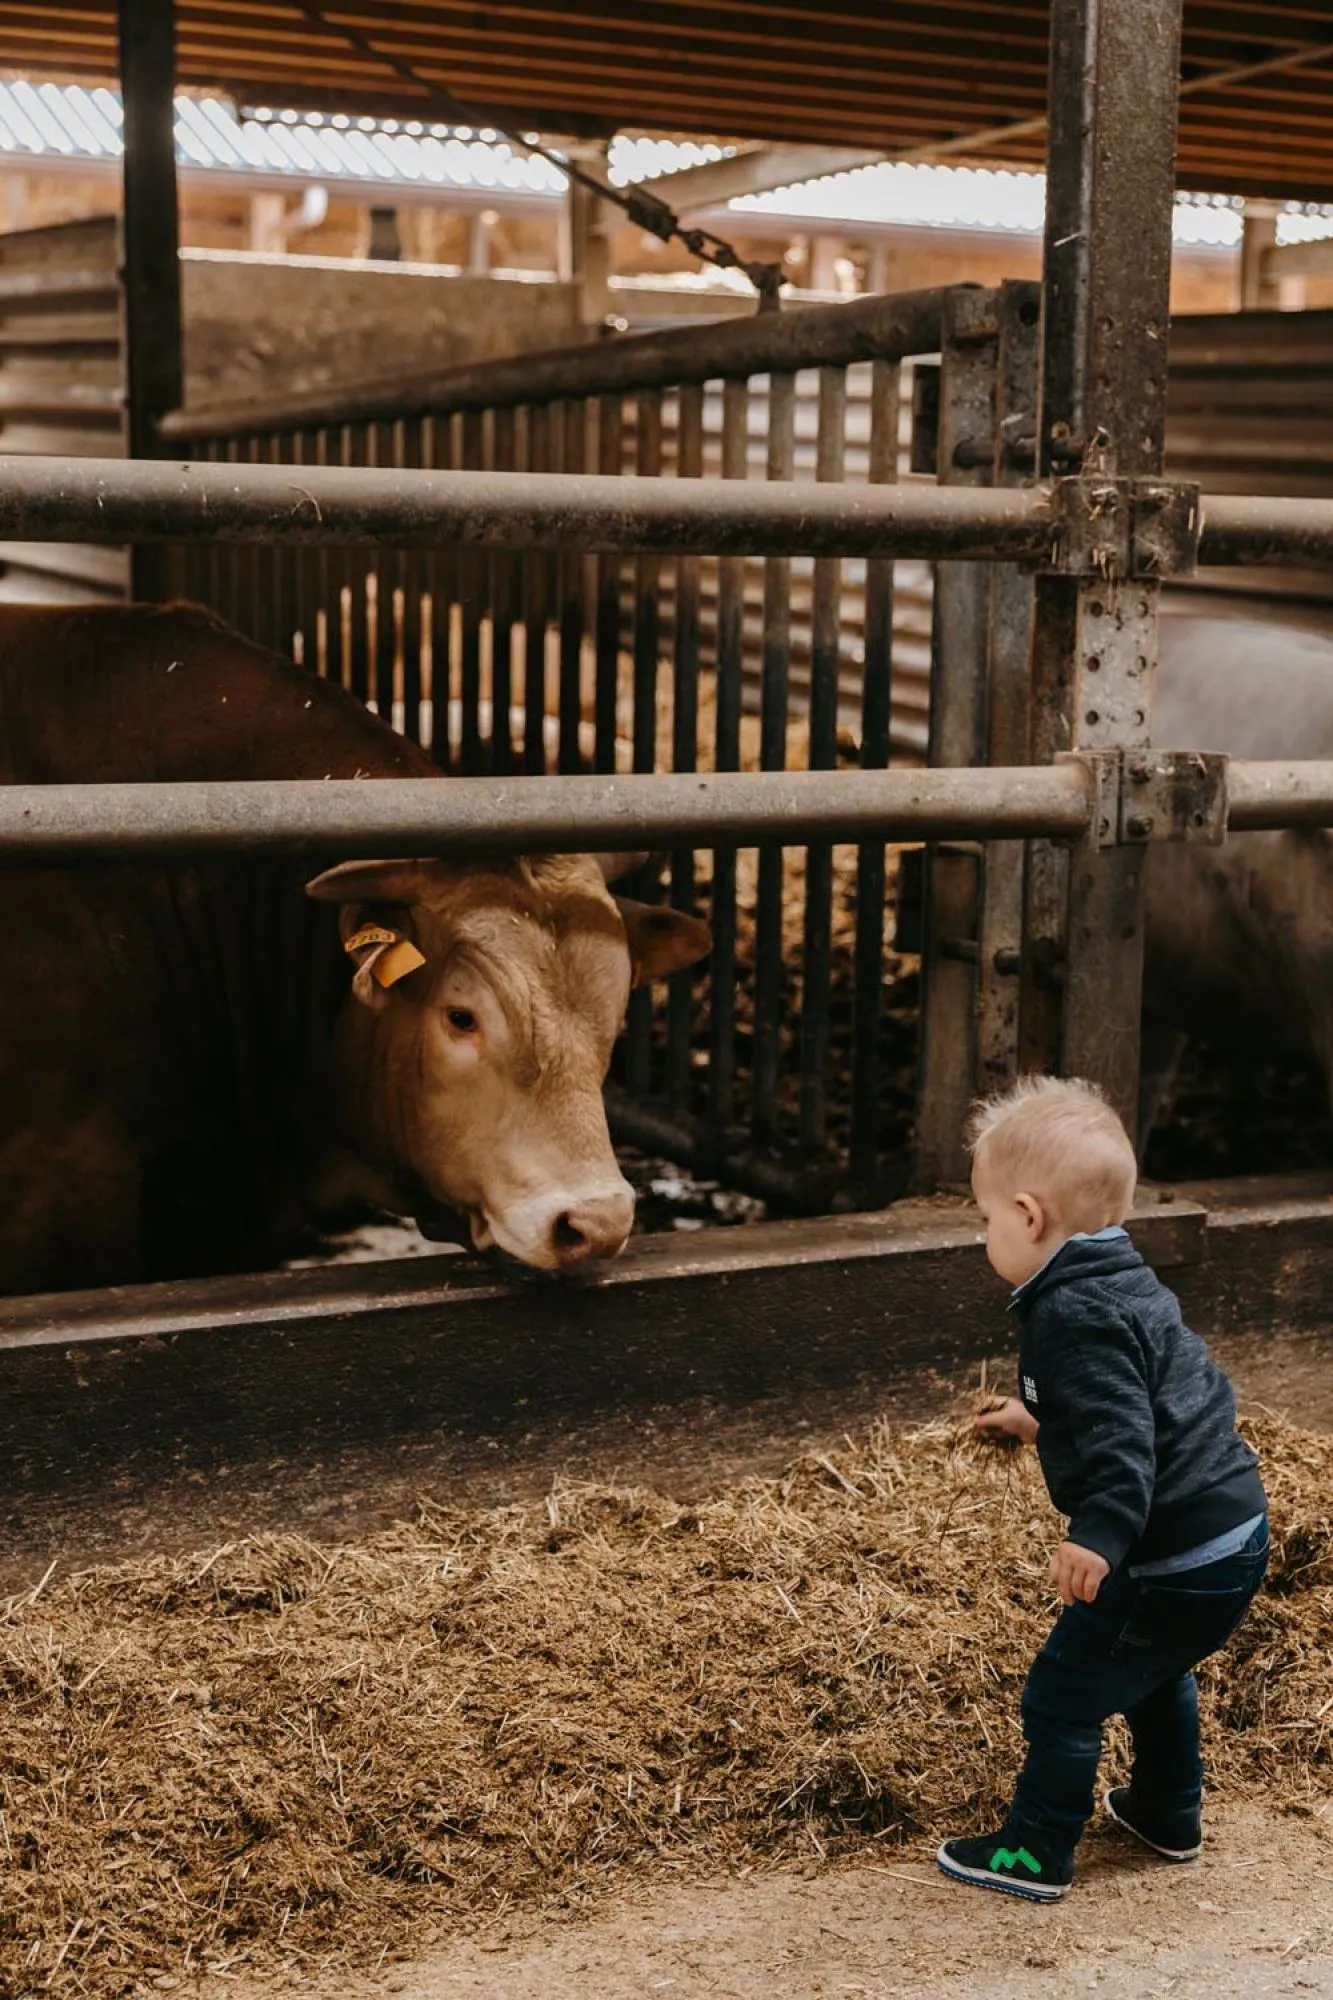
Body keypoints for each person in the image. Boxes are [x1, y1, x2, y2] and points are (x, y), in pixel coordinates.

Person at [936, 1074, 1269, 1903]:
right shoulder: (1122, 1279)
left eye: (984, 1218)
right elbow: (1134, 1405)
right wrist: (1037, 1419)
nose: (984, 1236)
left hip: (1170, 1548)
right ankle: (1166, 1810)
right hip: (1225, 1534)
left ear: (1026, 1215)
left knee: (1062, 1692)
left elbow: (1125, 1448)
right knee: (1151, 1665)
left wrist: (1098, 1536)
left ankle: (1034, 1852)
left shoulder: (1070, 1315)